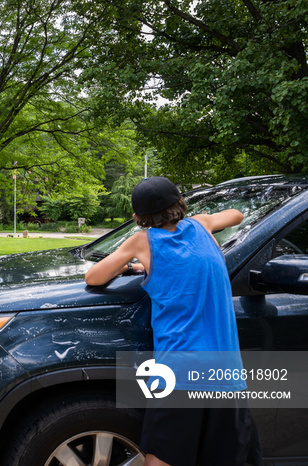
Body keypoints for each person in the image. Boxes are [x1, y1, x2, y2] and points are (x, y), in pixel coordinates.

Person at [85, 176, 260, 466]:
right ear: (180, 203)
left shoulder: (142, 241)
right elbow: (237, 215)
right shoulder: (201, 224)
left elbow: (94, 277)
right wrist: (205, 219)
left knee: (162, 459)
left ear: (137, 217)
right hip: (226, 373)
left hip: (179, 370)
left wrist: (132, 265)